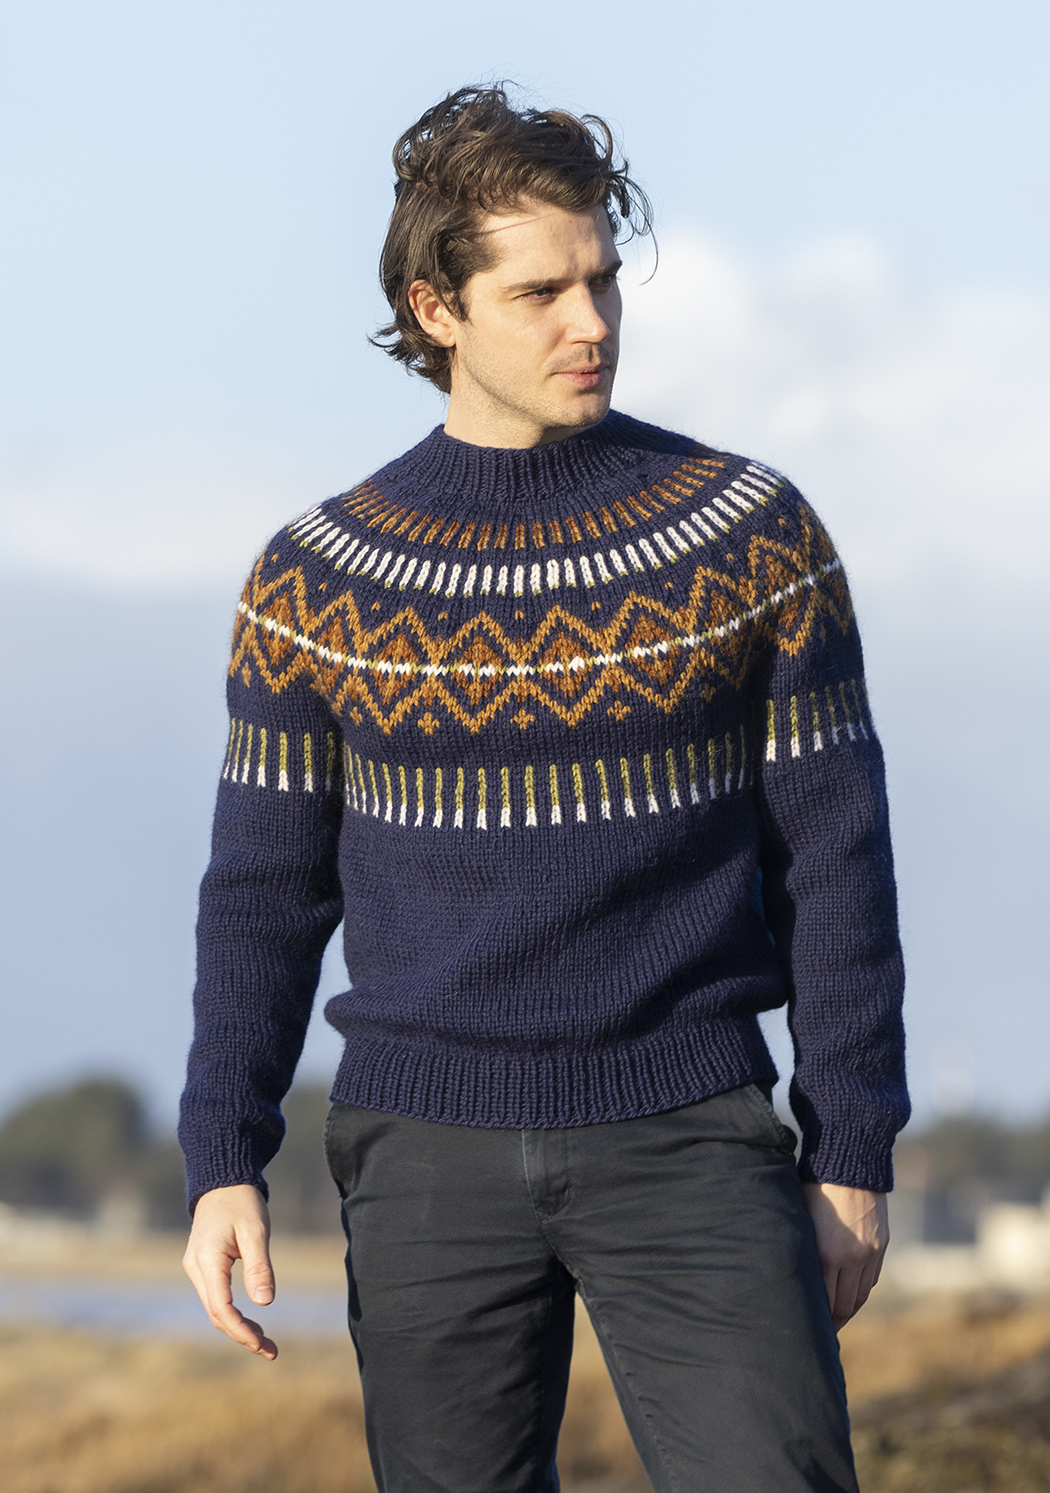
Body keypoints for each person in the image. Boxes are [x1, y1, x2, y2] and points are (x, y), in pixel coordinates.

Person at [179, 85, 909, 1492]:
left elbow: (838, 861)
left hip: (690, 1133)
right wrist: (223, 1157)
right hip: (421, 1153)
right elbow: (262, 896)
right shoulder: (316, 581)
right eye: (540, 292)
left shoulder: (748, 536)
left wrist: (853, 1149)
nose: (593, 323)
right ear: (436, 309)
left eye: (603, 279)